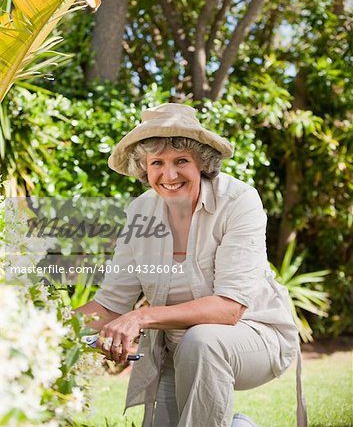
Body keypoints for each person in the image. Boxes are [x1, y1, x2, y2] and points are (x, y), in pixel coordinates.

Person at [77, 103, 306, 427]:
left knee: (202, 341)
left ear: (201, 162)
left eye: (181, 161)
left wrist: (140, 317)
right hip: (176, 349)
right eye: (157, 162)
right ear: (145, 168)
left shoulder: (238, 201)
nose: (169, 175)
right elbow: (111, 304)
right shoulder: (140, 212)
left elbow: (229, 309)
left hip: (255, 337)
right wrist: (42, 331)